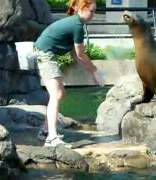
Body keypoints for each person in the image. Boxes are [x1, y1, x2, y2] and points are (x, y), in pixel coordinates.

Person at [33, 0, 104, 147]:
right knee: (56, 94)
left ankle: (45, 131)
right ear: (81, 9)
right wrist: (95, 73)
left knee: (61, 93)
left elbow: (74, 55)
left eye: (94, 11)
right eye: (91, 11)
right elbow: (80, 54)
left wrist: (89, 72)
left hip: (46, 53)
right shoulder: (77, 25)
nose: (93, 15)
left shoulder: (75, 23)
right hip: (46, 54)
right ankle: (51, 138)